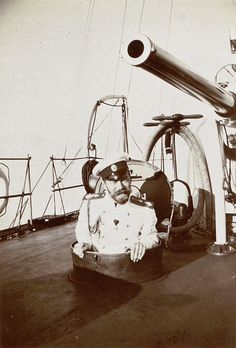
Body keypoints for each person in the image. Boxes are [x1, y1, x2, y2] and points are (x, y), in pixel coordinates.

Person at [74, 154, 160, 262]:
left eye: (124, 179)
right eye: (114, 181)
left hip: (131, 267)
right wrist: (85, 244)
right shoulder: (90, 205)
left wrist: (143, 244)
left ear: (130, 178)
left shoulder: (145, 209)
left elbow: (152, 237)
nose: (120, 186)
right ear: (104, 185)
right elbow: (82, 232)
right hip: (97, 267)